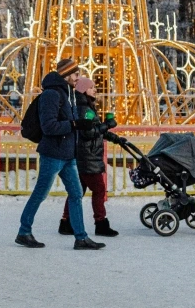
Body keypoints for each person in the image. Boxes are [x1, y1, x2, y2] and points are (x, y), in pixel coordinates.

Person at [15, 59, 106, 250]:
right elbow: (49, 126)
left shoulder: (68, 94)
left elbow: (69, 122)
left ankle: (81, 237)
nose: (77, 78)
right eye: (75, 74)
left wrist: (83, 124)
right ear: (65, 75)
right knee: (40, 193)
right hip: (53, 154)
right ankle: (24, 231)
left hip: (68, 155)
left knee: (76, 194)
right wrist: (74, 124)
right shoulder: (51, 95)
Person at [59, 77, 119, 237]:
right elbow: (87, 132)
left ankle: (66, 222)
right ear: (83, 90)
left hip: (83, 155)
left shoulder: (85, 107)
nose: (95, 90)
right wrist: (107, 125)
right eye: (91, 87)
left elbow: (95, 129)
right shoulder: (84, 109)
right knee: (99, 189)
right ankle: (100, 223)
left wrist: (115, 138)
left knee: (77, 191)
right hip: (88, 156)